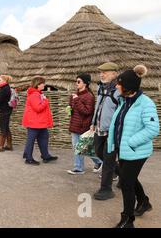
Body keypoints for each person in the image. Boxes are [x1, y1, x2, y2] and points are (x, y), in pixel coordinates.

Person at [107, 65, 159, 228]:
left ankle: (128, 220)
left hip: (136, 151)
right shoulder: (124, 101)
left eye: (119, 83)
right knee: (127, 177)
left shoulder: (146, 103)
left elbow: (152, 129)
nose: (116, 85)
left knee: (126, 183)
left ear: (128, 87)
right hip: (123, 150)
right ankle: (143, 202)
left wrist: (130, 142)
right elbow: (119, 123)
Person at [91, 62, 121, 200]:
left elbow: (122, 112)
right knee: (98, 153)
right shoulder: (100, 88)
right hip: (99, 129)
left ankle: (106, 189)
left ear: (114, 73)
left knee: (108, 160)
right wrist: (93, 122)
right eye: (101, 72)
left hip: (111, 131)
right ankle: (124, 174)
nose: (102, 74)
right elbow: (98, 106)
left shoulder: (119, 90)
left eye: (105, 72)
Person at [67, 74, 102, 175]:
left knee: (80, 147)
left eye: (79, 81)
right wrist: (69, 107)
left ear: (85, 83)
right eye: (76, 81)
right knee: (84, 148)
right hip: (75, 125)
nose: (76, 83)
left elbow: (87, 111)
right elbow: (75, 109)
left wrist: (76, 100)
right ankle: (99, 162)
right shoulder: (76, 95)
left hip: (82, 126)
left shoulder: (89, 96)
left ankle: (79, 168)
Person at [22, 76, 58, 165]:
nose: (44, 85)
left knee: (44, 137)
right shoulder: (34, 95)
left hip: (39, 122)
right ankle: (28, 158)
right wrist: (46, 101)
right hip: (34, 122)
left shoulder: (38, 94)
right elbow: (38, 108)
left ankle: (46, 156)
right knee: (31, 140)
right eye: (43, 83)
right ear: (38, 84)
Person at [0, 75, 13, 152]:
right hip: (7, 110)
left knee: (3, 128)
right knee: (6, 127)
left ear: (5, 81)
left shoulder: (4, 89)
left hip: (4, 110)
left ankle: (0, 146)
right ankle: (9, 145)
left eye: (0, 80)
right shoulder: (7, 88)